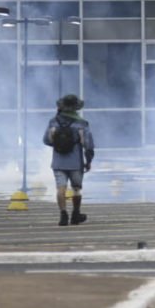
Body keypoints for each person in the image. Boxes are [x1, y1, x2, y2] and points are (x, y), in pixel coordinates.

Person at [42, 94, 95, 225]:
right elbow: (88, 144)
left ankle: (63, 215)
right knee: (76, 189)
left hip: (58, 162)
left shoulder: (54, 121)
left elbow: (46, 140)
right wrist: (88, 161)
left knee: (61, 189)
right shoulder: (82, 123)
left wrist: (58, 143)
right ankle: (75, 214)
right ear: (76, 108)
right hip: (76, 162)